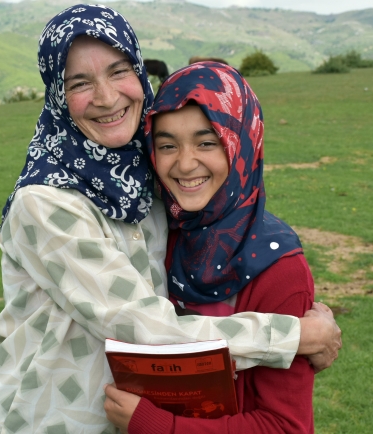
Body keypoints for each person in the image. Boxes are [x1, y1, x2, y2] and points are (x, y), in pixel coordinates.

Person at [0, 5, 340, 434]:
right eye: (79, 83)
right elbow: (141, 328)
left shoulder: (149, 180)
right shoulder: (45, 203)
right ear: (57, 95)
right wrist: (296, 338)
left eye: (118, 71)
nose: (106, 97)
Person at [104, 62, 321, 433]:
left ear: (242, 142)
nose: (185, 164)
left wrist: (156, 425)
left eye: (207, 142)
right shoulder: (160, 238)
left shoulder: (278, 269)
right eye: (167, 145)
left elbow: (285, 426)